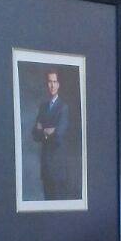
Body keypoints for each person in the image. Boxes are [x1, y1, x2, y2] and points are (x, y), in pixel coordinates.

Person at [30, 69, 71, 199]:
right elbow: (34, 134)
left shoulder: (63, 107)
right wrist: (48, 131)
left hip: (58, 168)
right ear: (46, 84)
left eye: (54, 82)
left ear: (58, 85)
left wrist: (43, 130)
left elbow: (58, 136)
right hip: (46, 167)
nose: (52, 85)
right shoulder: (42, 107)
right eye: (49, 82)